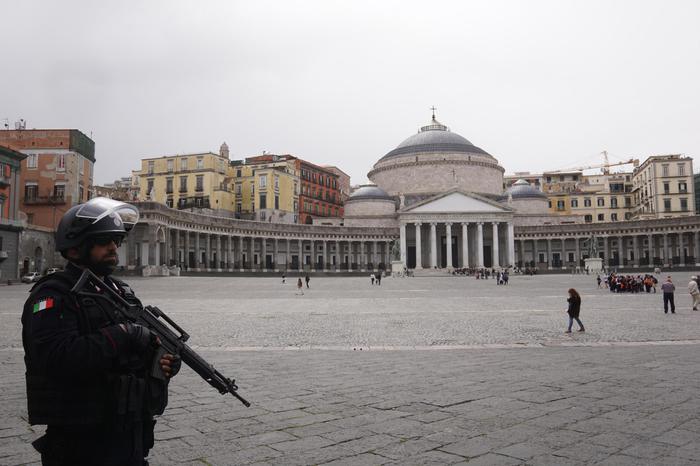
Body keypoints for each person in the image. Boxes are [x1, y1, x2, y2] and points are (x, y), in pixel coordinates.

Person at [21, 197, 180, 466]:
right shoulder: (53, 295)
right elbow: (55, 357)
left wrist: (163, 361)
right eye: (103, 241)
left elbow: (140, 351)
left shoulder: (122, 293)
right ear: (74, 249)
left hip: (130, 434)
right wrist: (125, 334)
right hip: (80, 439)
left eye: (116, 241)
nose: (113, 248)